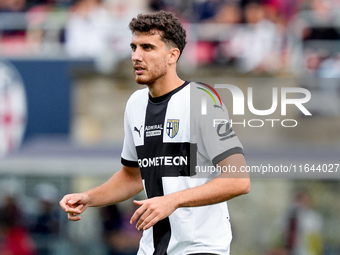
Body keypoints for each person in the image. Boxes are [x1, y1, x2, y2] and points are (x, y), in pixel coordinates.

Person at [59, 10, 250, 255]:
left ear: (172, 55)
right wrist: (89, 197)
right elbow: (131, 176)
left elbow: (239, 180)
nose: (136, 56)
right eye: (134, 47)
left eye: (147, 47)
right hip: (151, 248)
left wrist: (173, 200)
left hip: (200, 247)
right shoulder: (135, 105)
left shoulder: (201, 100)